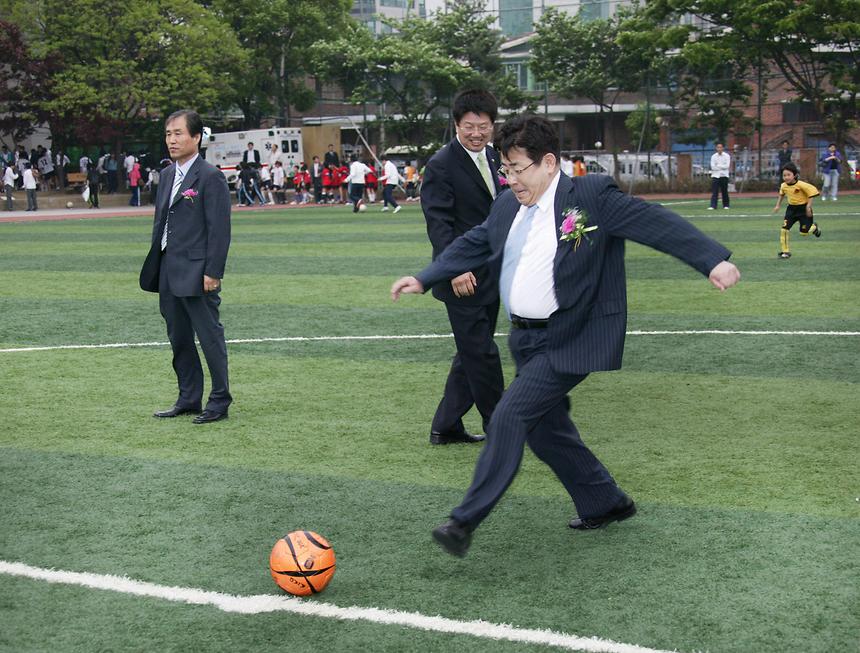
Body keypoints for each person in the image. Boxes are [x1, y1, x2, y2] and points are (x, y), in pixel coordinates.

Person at [391, 113, 740, 557]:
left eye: (518, 169)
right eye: (506, 169)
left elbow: (653, 222)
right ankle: (605, 501)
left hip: (572, 336)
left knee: (510, 416)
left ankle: (463, 521)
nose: (511, 178)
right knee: (545, 430)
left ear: (549, 163)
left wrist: (712, 260)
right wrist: (425, 277)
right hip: (527, 340)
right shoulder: (506, 205)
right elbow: (473, 242)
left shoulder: (590, 194)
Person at [419, 88, 505, 445]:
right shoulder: (441, 165)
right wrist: (453, 268)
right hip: (462, 277)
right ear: (456, 124)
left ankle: (446, 425)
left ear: (492, 126)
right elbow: (438, 224)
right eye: (469, 126)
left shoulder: (497, 157)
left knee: (471, 351)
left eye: (483, 126)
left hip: (493, 272)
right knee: (482, 353)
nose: (476, 133)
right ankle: (500, 426)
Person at [139, 109, 232, 424]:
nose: (172, 140)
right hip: (168, 269)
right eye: (168, 134)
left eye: (179, 133)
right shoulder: (166, 175)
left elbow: (219, 230)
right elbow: (161, 223)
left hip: (198, 272)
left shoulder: (210, 176)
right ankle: (189, 398)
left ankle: (219, 400)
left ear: (196, 137)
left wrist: (213, 272)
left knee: (209, 336)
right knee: (178, 338)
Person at [772, 162, 821, 259]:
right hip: (791, 210)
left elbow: (812, 192)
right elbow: (781, 195)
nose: (786, 177)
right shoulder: (783, 186)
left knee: (804, 232)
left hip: (803, 210)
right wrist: (777, 205)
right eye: (784, 175)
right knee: (784, 230)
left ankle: (814, 228)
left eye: (788, 175)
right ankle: (785, 252)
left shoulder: (801, 185)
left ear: (794, 175)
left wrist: (808, 206)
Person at [708, 142, 731, 210]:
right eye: (718, 147)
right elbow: (712, 167)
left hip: (724, 175)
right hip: (715, 176)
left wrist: (718, 166)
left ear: (723, 148)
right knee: (715, 192)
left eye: (720, 147)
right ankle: (713, 206)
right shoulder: (713, 156)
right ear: (716, 148)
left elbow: (727, 166)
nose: (719, 149)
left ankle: (726, 205)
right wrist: (721, 167)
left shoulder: (727, 156)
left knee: (724, 191)